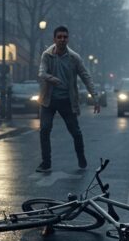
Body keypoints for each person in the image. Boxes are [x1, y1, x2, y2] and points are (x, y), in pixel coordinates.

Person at [36, 26, 100, 173]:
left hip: (67, 100)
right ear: (54, 39)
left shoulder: (74, 58)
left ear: (68, 39)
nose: (62, 40)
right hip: (48, 100)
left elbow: (86, 77)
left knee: (75, 132)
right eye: (59, 37)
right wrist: (51, 78)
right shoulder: (47, 55)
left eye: (65, 37)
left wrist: (95, 97)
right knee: (44, 129)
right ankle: (46, 163)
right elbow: (41, 72)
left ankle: (81, 157)